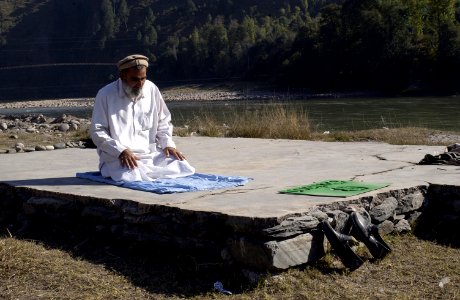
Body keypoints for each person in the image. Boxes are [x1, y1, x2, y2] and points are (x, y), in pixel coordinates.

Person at [90, 54, 195, 181]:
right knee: (132, 175)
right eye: (135, 79)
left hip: (150, 153)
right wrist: (120, 151)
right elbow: (98, 131)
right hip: (118, 156)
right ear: (122, 76)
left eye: (143, 79)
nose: (140, 84)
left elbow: (163, 121)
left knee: (181, 165)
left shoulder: (151, 89)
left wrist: (167, 144)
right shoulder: (105, 94)